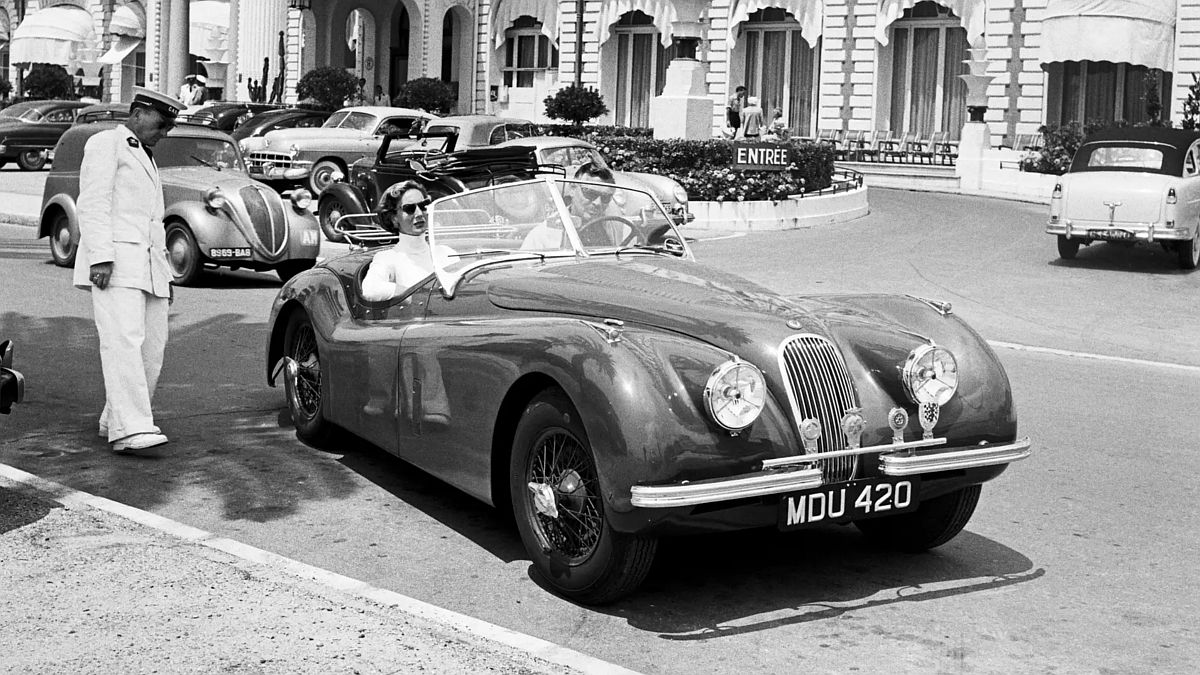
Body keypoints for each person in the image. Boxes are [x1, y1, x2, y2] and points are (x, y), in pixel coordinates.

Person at [73, 87, 183, 455]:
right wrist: (100, 256)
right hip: (116, 262)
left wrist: (165, 272)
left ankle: (114, 416)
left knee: (153, 348)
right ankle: (131, 429)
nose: (164, 131)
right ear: (137, 114)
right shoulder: (108, 143)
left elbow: (152, 222)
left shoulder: (146, 156)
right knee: (123, 343)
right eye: (161, 122)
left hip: (149, 267)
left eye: (169, 126)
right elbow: (92, 200)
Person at [361, 181, 455, 302]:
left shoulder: (445, 252)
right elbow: (370, 289)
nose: (419, 213)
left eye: (423, 205)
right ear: (394, 218)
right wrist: (413, 295)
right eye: (409, 209)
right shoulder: (388, 258)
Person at [521, 164, 625, 249]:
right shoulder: (543, 235)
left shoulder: (616, 226)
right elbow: (526, 270)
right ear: (572, 189)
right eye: (590, 194)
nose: (598, 203)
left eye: (605, 197)